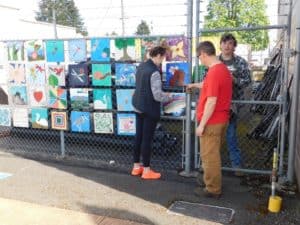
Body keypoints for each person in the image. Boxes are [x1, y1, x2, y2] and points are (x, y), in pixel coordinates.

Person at [187, 41, 232, 198]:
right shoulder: (222, 69)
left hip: (212, 122)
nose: (200, 60)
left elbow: (211, 101)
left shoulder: (214, 72)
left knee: (209, 156)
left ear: (204, 54)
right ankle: (210, 181)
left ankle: (212, 189)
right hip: (221, 118)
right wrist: (194, 85)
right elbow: (207, 85)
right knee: (212, 154)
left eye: (199, 57)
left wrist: (202, 125)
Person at [131, 46, 171, 180]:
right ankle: (147, 170)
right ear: (158, 55)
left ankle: (136, 167)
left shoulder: (141, 67)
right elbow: (157, 95)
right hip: (149, 109)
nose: (163, 61)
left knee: (139, 137)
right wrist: (169, 97)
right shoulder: (154, 72)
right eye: (163, 57)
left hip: (137, 106)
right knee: (146, 140)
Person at [219, 33, 251, 174]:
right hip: (216, 105)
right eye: (224, 43)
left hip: (233, 106)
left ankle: (236, 166)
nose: (227, 46)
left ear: (234, 47)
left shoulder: (240, 62)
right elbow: (205, 79)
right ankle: (209, 165)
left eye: (230, 43)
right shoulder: (214, 61)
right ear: (220, 45)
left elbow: (248, 80)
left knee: (231, 136)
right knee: (213, 137)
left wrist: (234, 79)